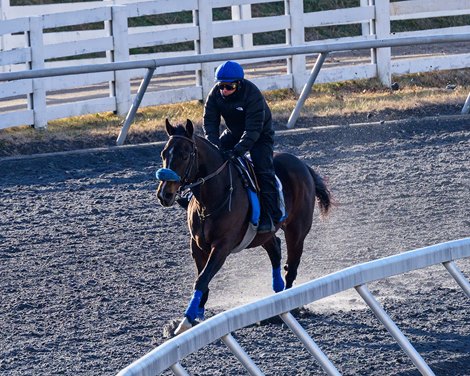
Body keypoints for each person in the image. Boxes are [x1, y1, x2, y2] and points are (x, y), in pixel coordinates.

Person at [202, 60, 282, 233]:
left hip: (260, 135)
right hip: (234, 132)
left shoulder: (252, 95)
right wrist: (214, 144)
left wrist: (238, 151)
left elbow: (253, 130)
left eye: (229, 87)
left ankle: (269, 215)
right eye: (221, 85)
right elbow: (209, 122)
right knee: (208, 158)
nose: (224, 90)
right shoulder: (215, 94)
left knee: (263, 170)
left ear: (239, 84)